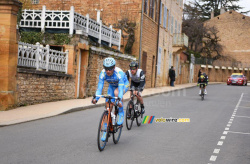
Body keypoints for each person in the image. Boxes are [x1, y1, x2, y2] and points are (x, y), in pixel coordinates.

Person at [92, 57, 129, 128]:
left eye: (110, 68)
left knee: (116, 92)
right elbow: (99, 88)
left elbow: (120, 90)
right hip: (112, 86)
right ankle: (106, 129)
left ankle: (121, 112)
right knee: (108, 106)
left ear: (114, 67)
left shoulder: (119, 73)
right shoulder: (102, 74)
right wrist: (96, 99)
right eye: (106, 68)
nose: (108, 71)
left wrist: (119, 99)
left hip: (123, 85)